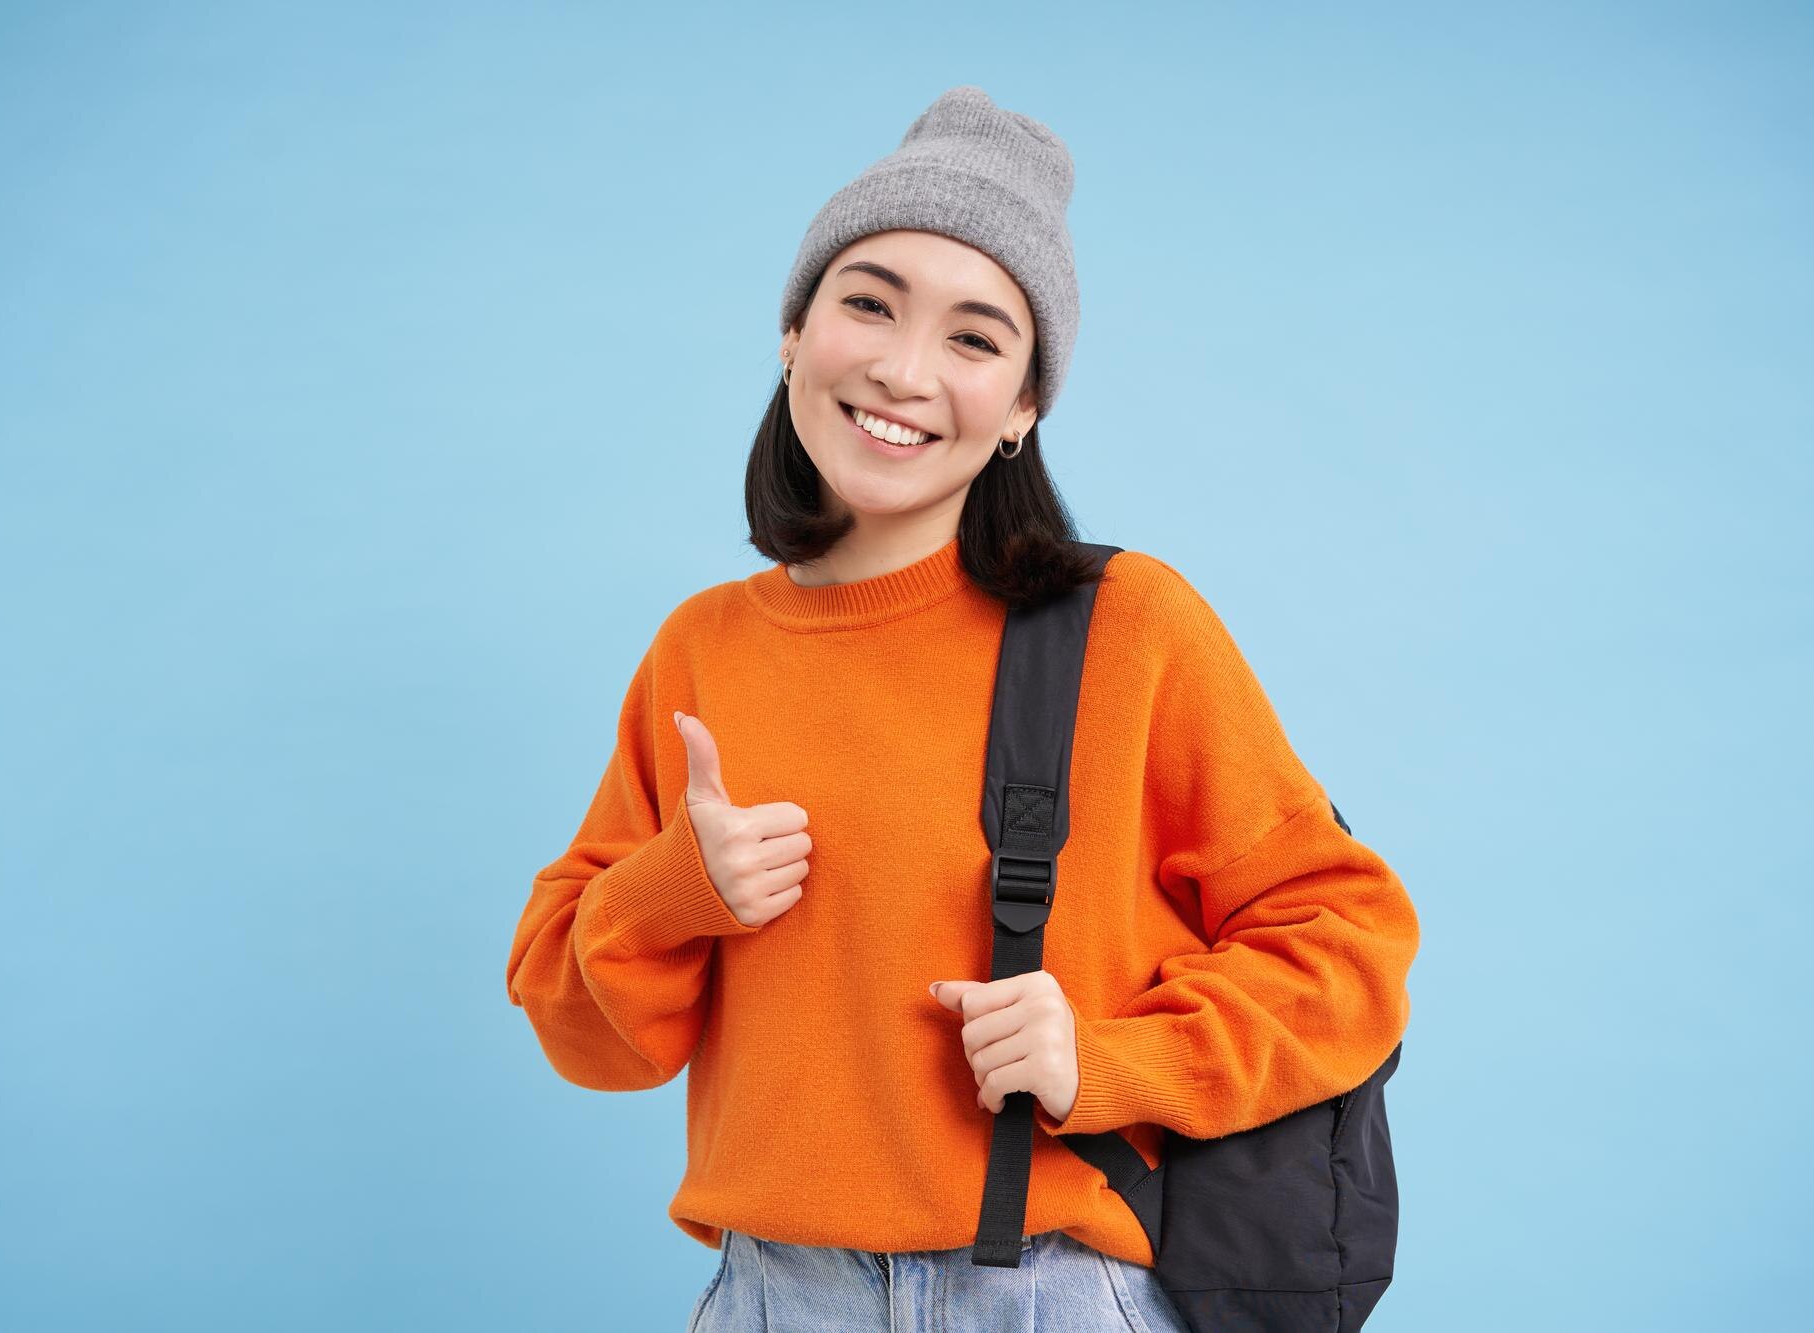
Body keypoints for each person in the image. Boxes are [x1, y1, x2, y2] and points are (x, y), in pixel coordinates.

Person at [503, 85, 1421, 1332]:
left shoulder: (1127, 627)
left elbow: (1347, 941)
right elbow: (591, 1040)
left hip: (1053, 1292)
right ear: (791, 330)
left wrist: (1106, 1061)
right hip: (776, 1294)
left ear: (1024, 409)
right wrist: (678, 889)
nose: (902, 368)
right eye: (867, 303)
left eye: (975, 339)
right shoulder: (701, 649)